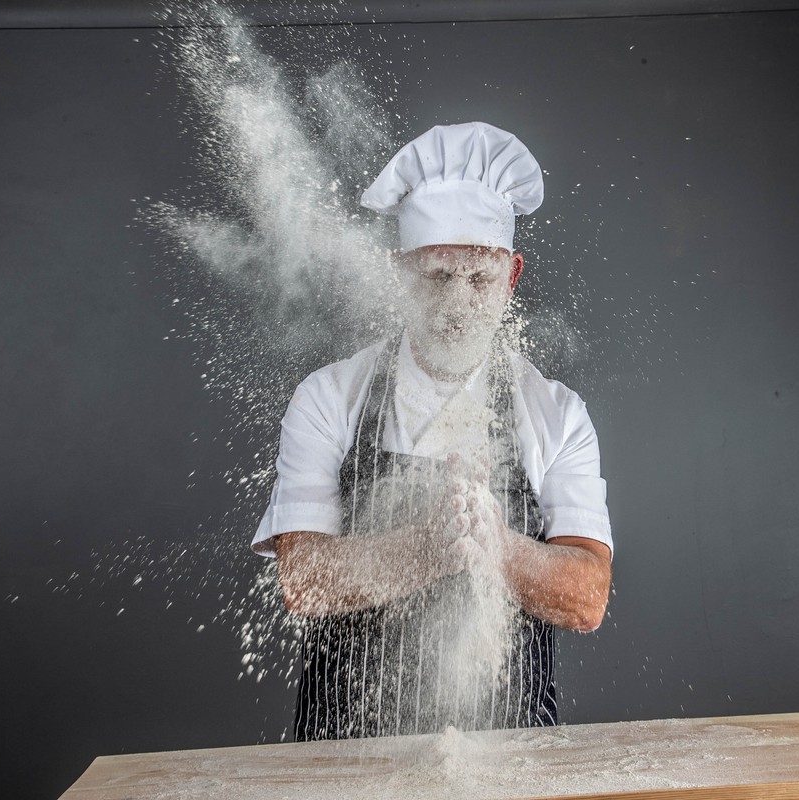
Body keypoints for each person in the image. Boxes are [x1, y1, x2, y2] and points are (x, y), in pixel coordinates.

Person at [252, 121, 612, 741]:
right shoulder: (329, 398)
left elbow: (586, 597)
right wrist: (429, 547)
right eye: (438, 277)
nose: (458, 304)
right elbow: (303, 580)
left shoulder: (554, 413)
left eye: (480, 280)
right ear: (399, 272)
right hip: (341, 758)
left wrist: (498, 549)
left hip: (508, 760)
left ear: (513, 276)